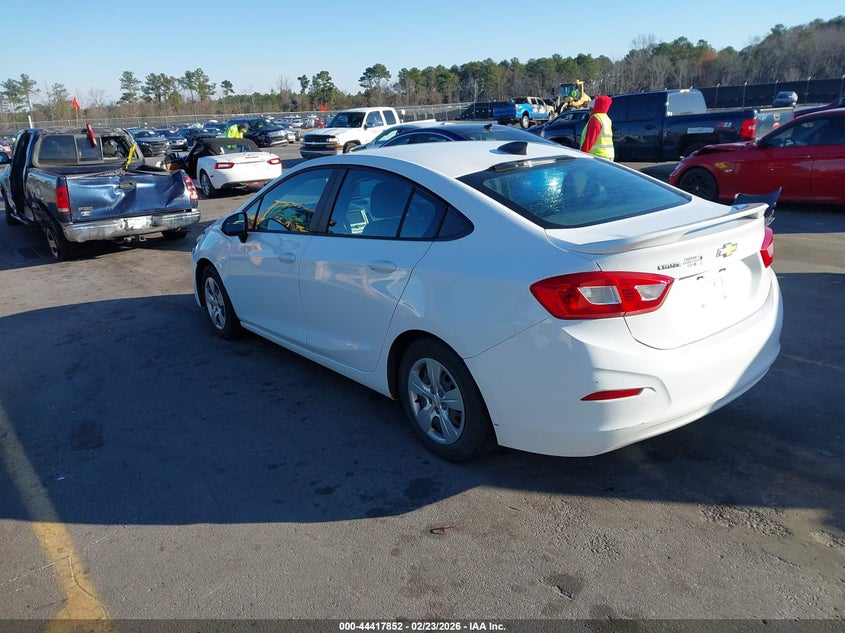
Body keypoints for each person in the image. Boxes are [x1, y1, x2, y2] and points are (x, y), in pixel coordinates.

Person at [579, 95, 614, 160]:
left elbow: (589, 140)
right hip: (608, 155)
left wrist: (582, 155)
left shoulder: (595, 119)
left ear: (594, 108)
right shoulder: (606, 118)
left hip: (598, 155)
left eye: (590, 109)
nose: (588, 112)